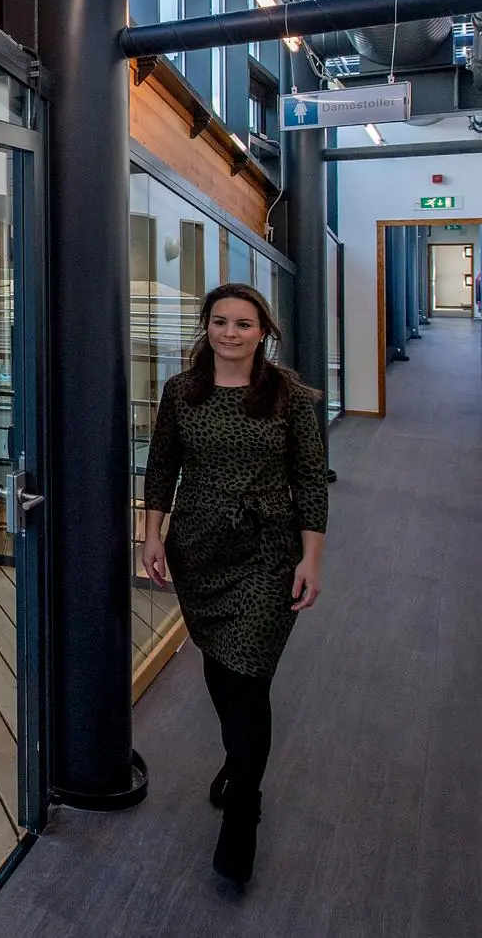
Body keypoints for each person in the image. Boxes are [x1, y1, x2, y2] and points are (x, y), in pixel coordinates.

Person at [140, 282, 329, 886]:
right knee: (222, 673)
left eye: (243, 324)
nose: (229, 332)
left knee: (247, 679)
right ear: (207, 328)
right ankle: (236, 764)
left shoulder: (289, 398)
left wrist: (312, 559)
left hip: (267, 555)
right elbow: (161, 465)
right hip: (198, 552)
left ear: (263, 332)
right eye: (219, 321)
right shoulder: (182, 393)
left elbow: (310, 480)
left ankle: (242, 807)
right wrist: (150, 535)